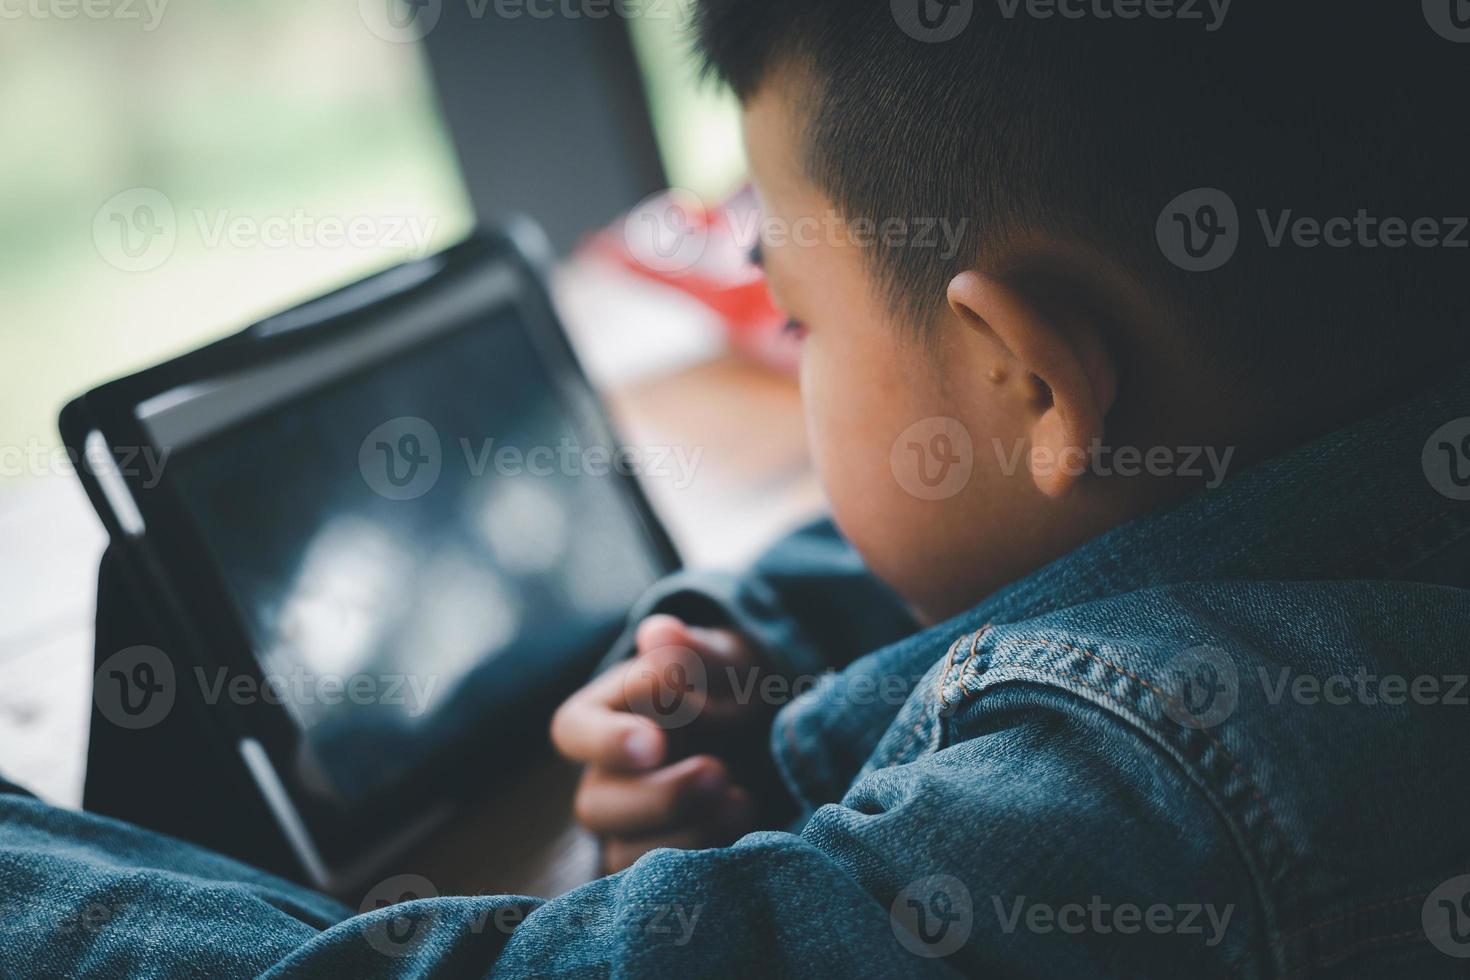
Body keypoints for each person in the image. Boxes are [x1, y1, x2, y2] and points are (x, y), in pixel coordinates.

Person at [5, 2, 1470, 975]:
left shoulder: (1164, 807)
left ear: (1026, 379)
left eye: (796, 320)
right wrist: (752, 666)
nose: (789, 342)